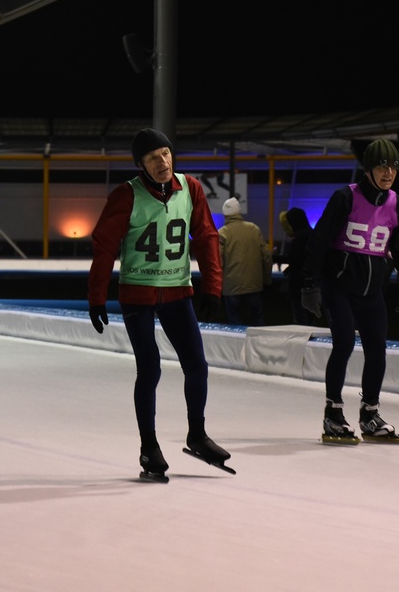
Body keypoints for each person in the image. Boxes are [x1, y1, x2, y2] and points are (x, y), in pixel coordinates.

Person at [87, 127, 230, 482]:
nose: (162, 162)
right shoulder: (126, 195)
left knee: (197, 366)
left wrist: (213, 288)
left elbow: (207, 237)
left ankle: (197, 434)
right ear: (141, 165)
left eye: (165, 153)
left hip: (178, 292)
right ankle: (149, 446)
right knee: (149, 369)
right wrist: (97, 296)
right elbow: (104, 247)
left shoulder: (190, 188)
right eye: (153, 158)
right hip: (138, 294)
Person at [302, 139, 399, 445]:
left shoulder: (395, 203)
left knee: (377, 348)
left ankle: (370, 414)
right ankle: (333, 413)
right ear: (368, 169)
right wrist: (310, 285)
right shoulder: (345, 198)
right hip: (338, 286)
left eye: (393, 167)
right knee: (343, 344)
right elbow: (318, 242)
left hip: (371, 291)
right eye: (381, 166)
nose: (388, 173)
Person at [218, 197, 272, 326]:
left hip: (231, 287)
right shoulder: (254, 229)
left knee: (235, 322)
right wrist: (266, 279)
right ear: (239, 212)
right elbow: (267, 256)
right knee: (257, 319)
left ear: (225, 214)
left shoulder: (222, 233)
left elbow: (218, 261)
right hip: (254, 285)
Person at [273, 207, 315, 325]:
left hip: (298, 283)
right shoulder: (313, 233)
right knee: (310, 317)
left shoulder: (300, 237)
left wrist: (272, 257)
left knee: (300, 319)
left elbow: (294, 258)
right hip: (312, 283)